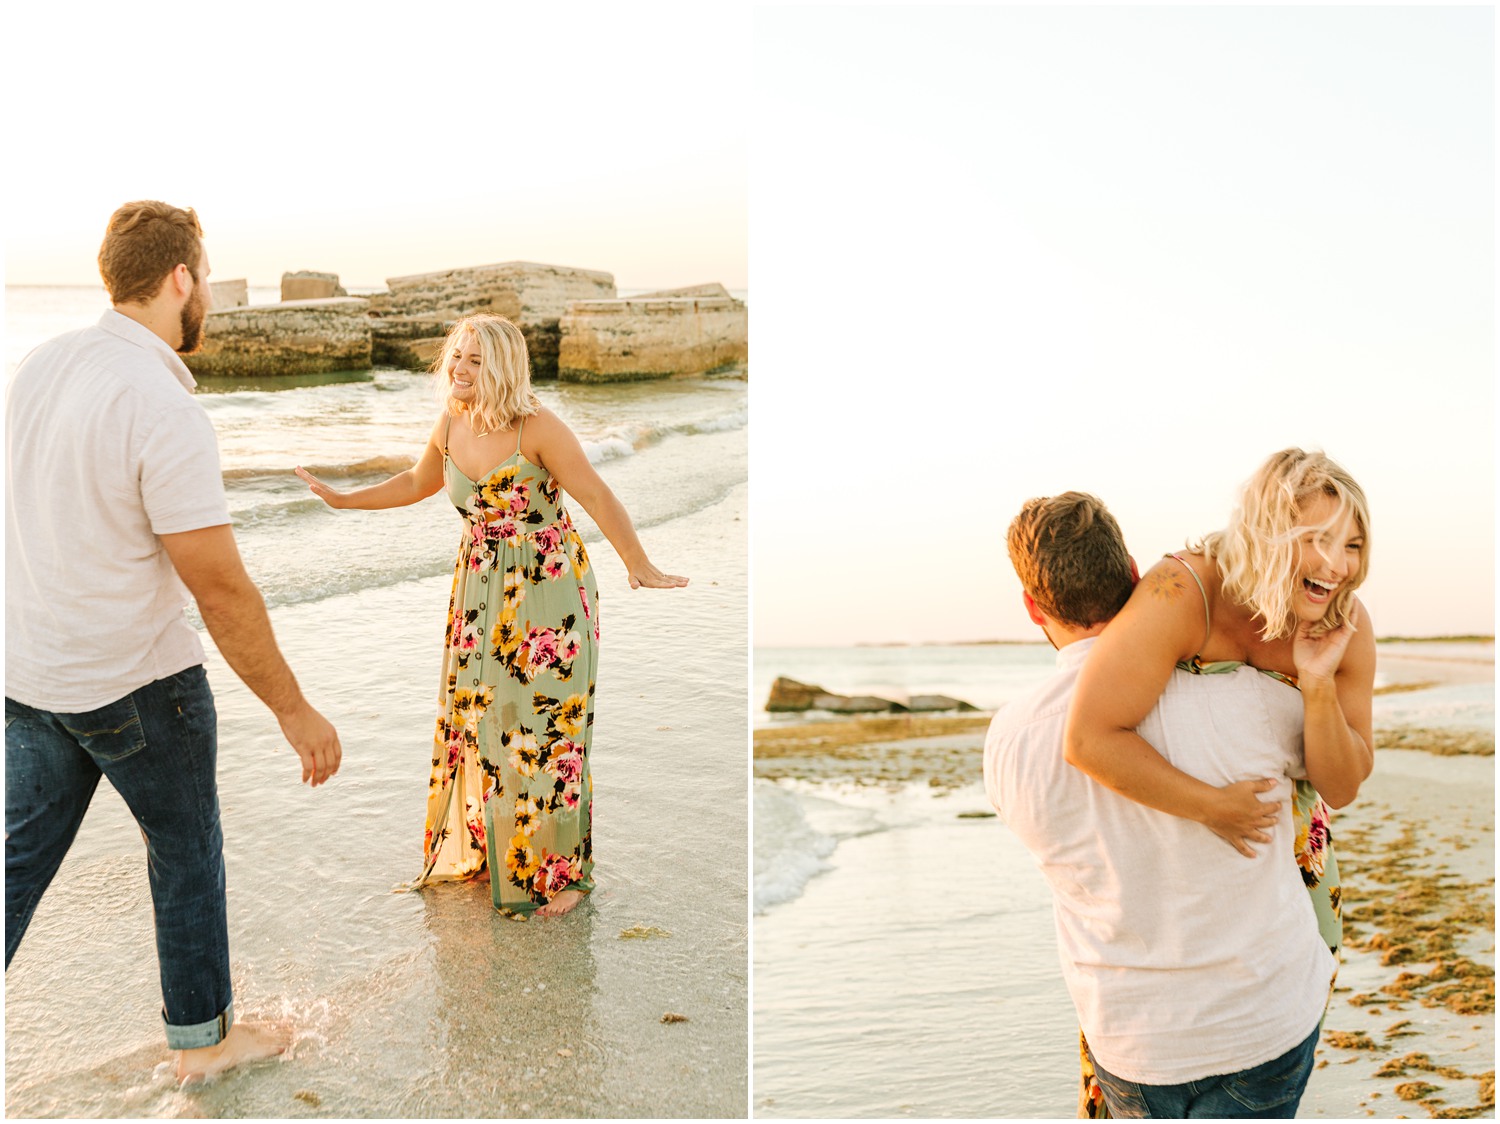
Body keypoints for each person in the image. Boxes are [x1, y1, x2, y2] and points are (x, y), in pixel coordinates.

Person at [5, 200, 343, 1083]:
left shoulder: (40, 366)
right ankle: (206, 1044)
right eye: (206, 281)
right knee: (186, 851)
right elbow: (218, 585)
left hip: (34, 672)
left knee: (14, 863)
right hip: (136, 684)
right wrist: (294, 707)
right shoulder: (160, 401)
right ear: (181, 279)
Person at [295, 312, 686, 919]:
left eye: (476, 360)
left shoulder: (538, 427)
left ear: (502, 367)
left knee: (545, 731)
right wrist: (344, 498)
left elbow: (597, 496)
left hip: (548, 593)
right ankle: (492, 852)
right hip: (478, 591)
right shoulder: (451, 419)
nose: (460, 368)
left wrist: (640, 564)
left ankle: (562, 877)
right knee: (480, 721)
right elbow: (415, 482)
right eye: (457, 356)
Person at [983, 490, 1340, 1119]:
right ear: (1133, 575)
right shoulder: (1242, 695)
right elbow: (1333, 777)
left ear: (1032, 608)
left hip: (1130, 1037)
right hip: (1260, 1020)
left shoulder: (1008, 739)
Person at [1063, 449, 1373, 1114]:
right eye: (1315, 541)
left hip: (1290, 874)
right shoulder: (1183, 593)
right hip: (1179, 874)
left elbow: (1343, 785)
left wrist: (1316, 684)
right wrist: (1211, 807)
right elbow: (1089, 735)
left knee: (1277, 1026)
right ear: (1266, 531)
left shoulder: (1347, 621)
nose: (1338, 565)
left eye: (1351, 544)